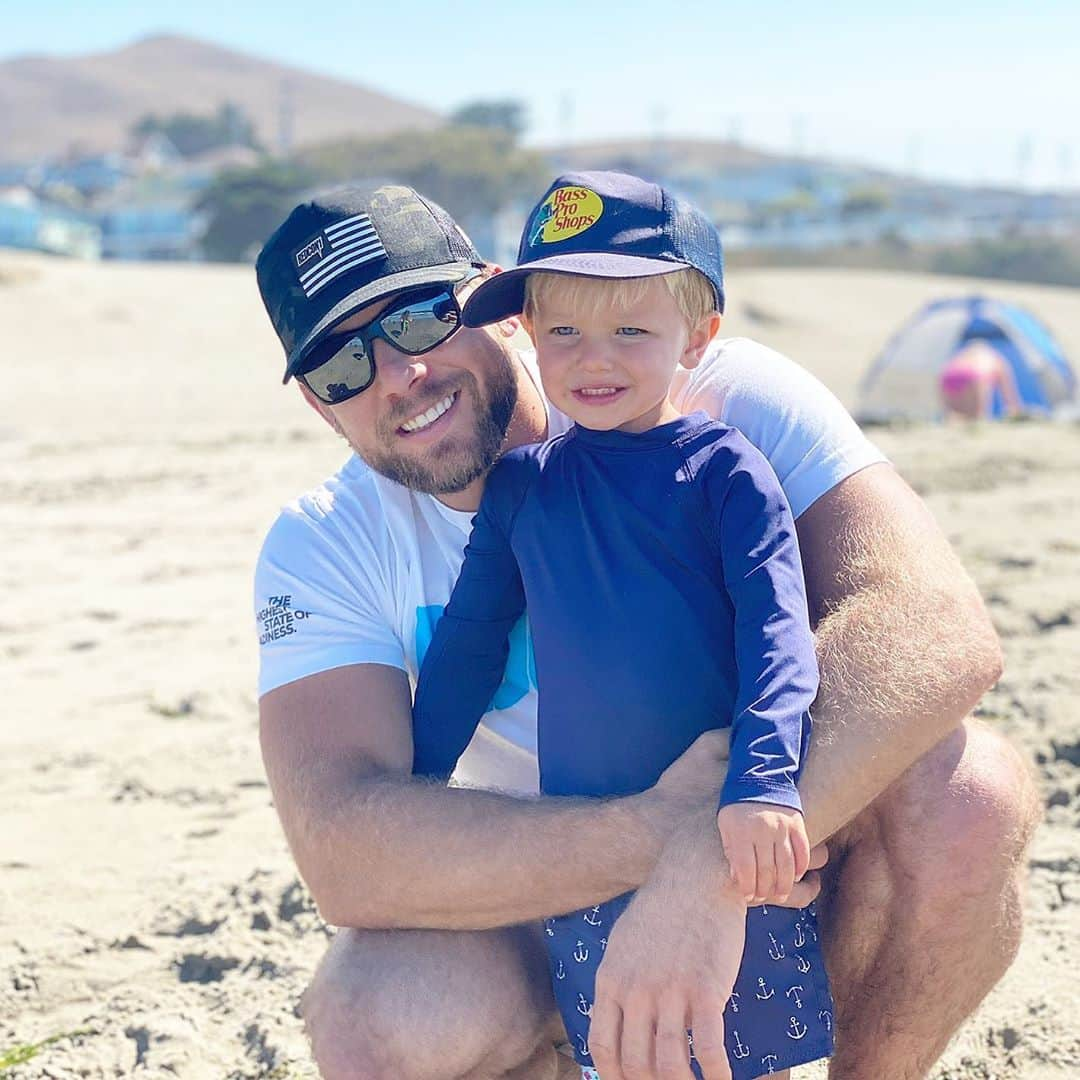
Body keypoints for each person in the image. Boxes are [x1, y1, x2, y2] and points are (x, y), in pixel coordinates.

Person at [253, 179, 1039, 1080]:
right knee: (373, 1017)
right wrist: (656, 836)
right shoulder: (325, 541)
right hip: (536, 895)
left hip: (784, 854)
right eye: (340, 366)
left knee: (969, 792)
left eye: (418, 318)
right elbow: (345, 854)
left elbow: (936, 628)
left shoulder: (721, 405)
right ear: (320, 406)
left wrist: (715, 860)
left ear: (501, 306)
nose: (397, 375)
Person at [411, 172, 830, 1080]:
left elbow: (777, 637)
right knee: (622, 1050)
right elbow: (472, 640)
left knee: (733, 1053)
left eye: (631, 330)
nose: (593, 359)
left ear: (699, 337)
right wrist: (418, 773)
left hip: (728, 834)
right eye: (563, 329)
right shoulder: (525, 484)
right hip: (587, 839)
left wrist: (763, 785)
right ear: (526, 335)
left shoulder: (726, 473)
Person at [939, 337, 1023, 420]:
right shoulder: (996, 359)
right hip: (974, 375)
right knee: (977, 417)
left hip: (948, 375)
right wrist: (1016, 411)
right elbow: (1008, 395)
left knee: (954, 416)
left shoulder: (964, 355)